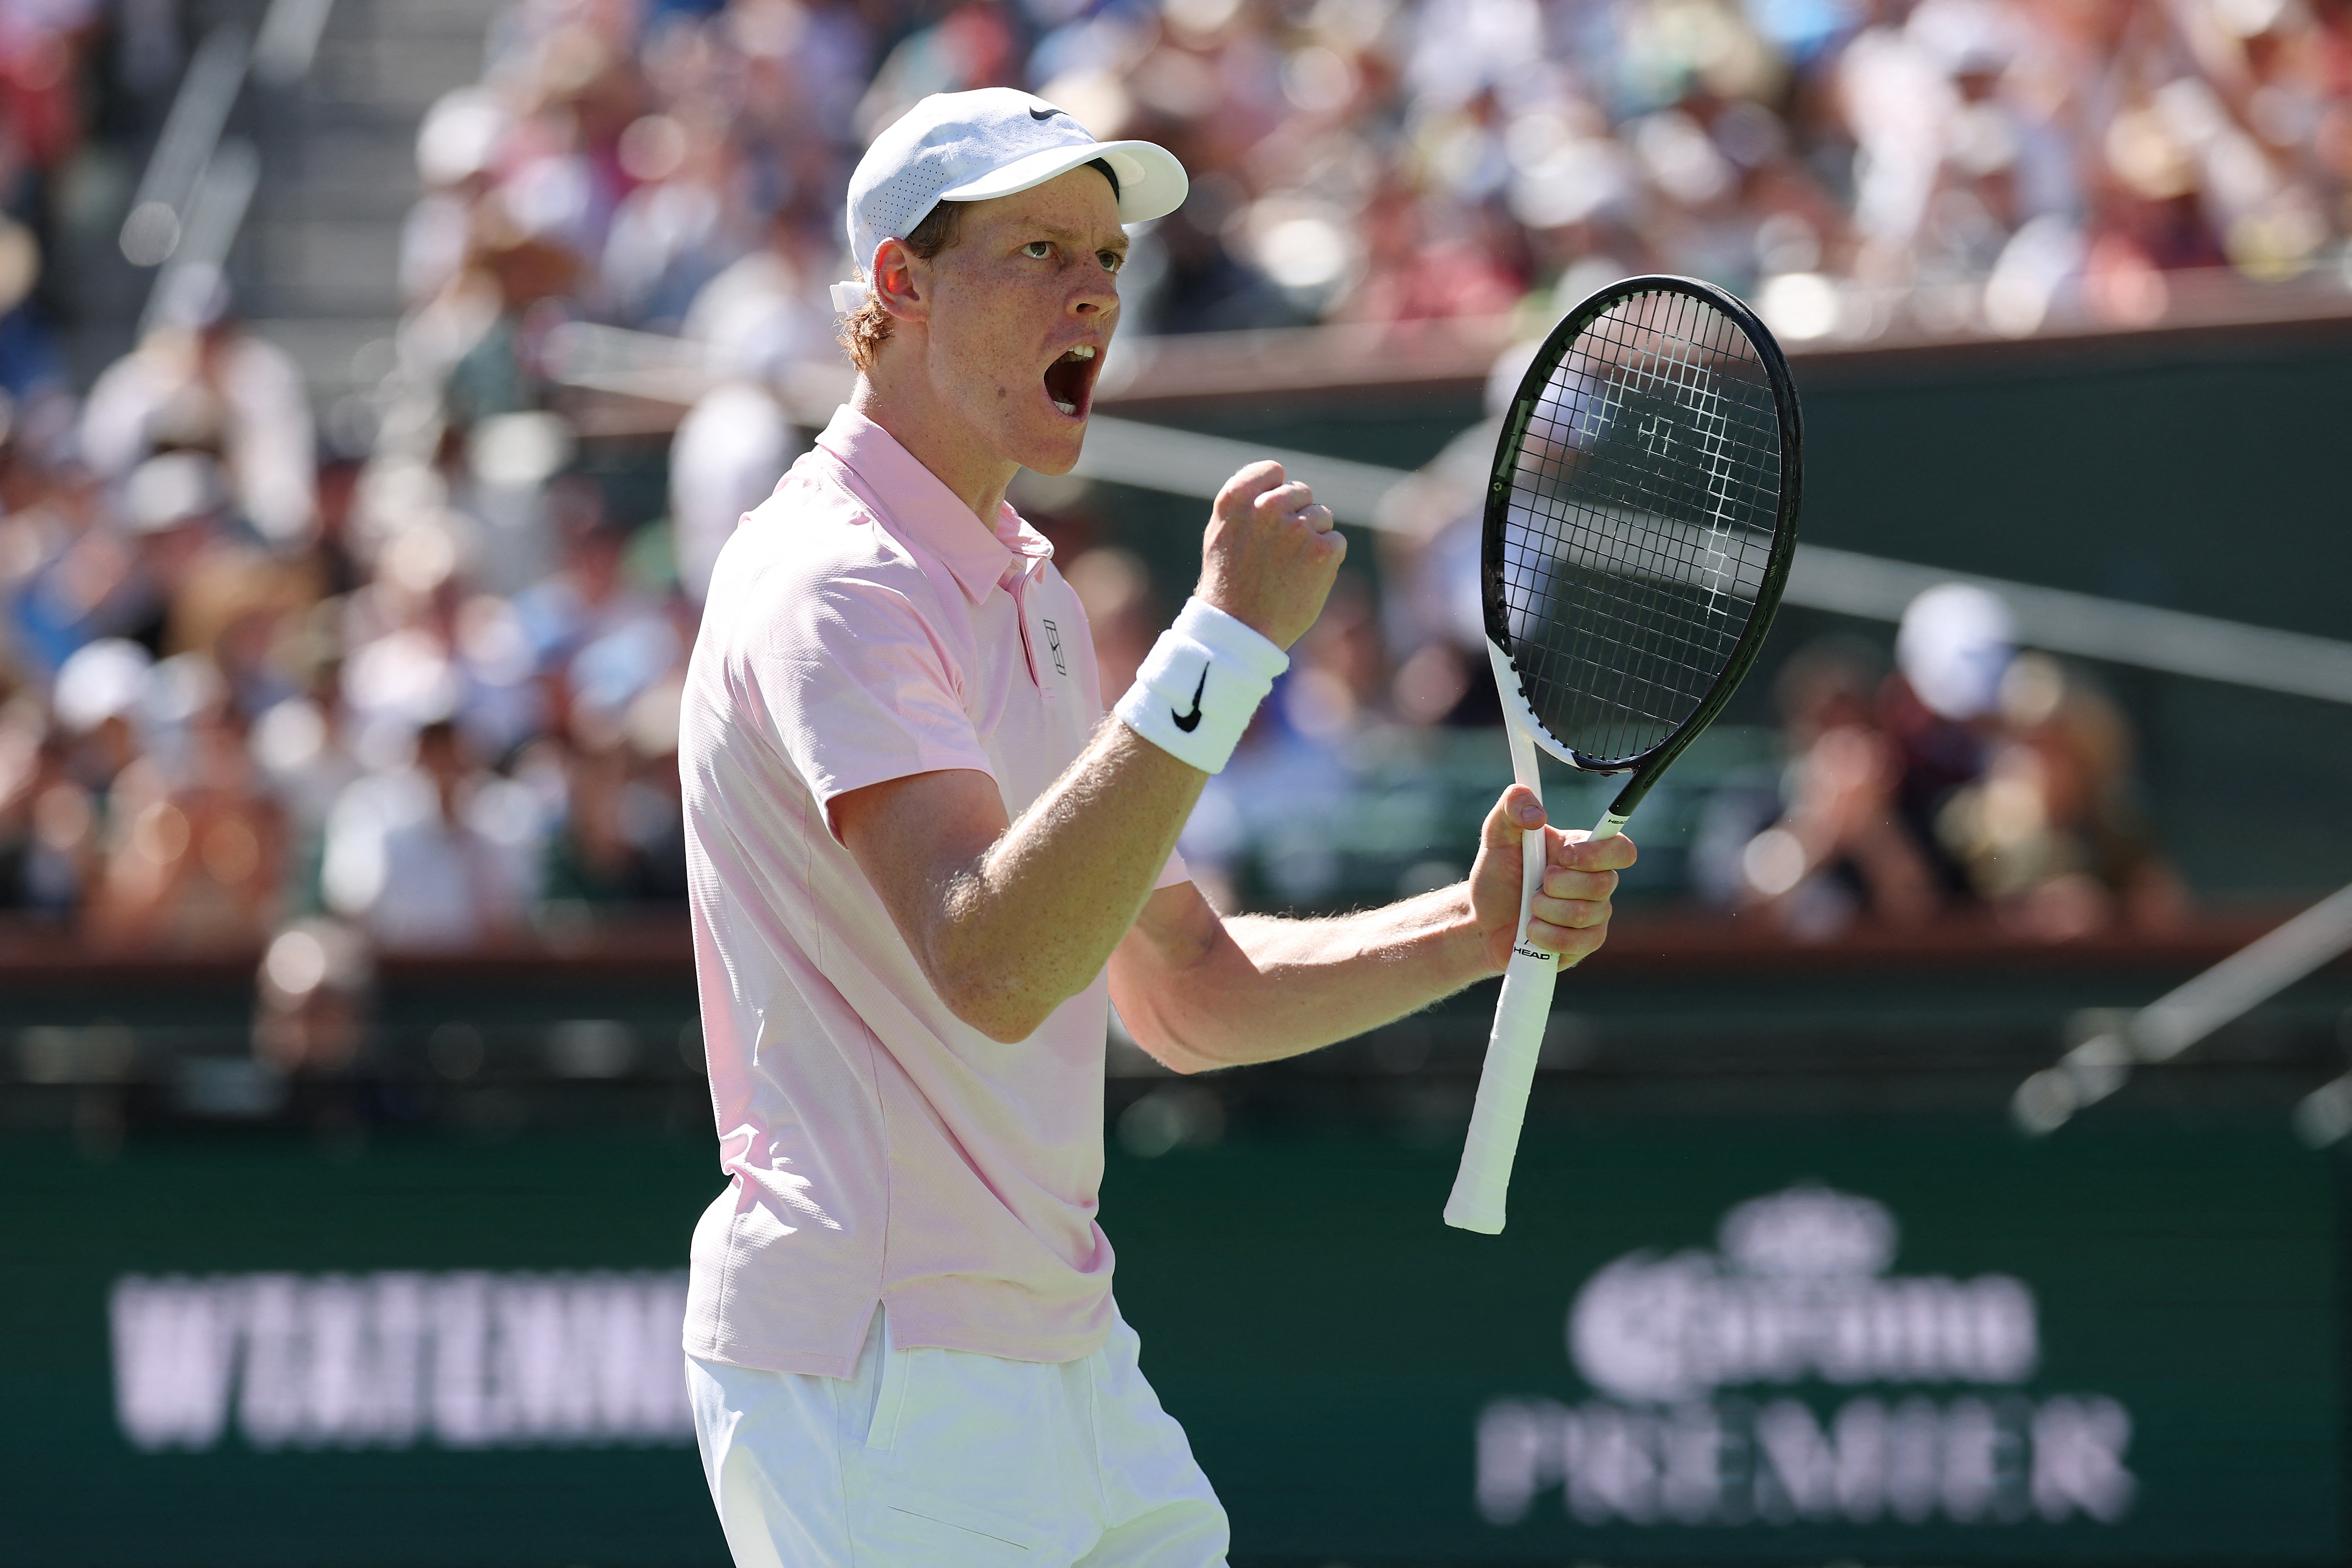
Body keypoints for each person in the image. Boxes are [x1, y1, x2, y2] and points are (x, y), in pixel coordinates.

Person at [676, 88, 1632, 1568]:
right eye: (1041, 248)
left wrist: (1470, 929)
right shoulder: (831, 583)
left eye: (1111, 259)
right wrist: (1222, 646)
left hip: (1062, 1354)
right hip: (878, 1369)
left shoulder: (1027, 588)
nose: (1093, 294)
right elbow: (991, 966)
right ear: (899, 286)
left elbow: (1180, 991)